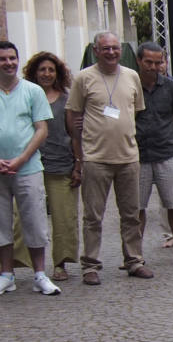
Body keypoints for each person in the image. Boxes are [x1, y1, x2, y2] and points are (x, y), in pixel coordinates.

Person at [67, 31, 152, 284]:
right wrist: (79, 155)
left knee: (131, 214)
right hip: (96, 157)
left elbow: (134, 111)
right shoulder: (83, 78)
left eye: (115, 48)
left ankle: (134, 260)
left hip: (128, 156)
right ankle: (90, 265)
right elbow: (73, 114)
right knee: (93, 215)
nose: (112, 52)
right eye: (106, 48)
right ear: (96, 50)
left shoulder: (132, 76)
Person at [10, 52, 79, 282]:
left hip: (61, 165)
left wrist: (79, 164)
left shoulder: (66, 99)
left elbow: (74, 134)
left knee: (63, 218)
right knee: (24, 218)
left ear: (57, 73)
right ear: (34, 73)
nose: (47, 74)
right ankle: (21, 263)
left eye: (51, 70)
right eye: (42, 70)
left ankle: (60, 264)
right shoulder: (26, 96)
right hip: (28, 165)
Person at [0, 41, 61, 295]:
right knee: (1, 224)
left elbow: (41, 129)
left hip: (28, 167)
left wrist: (21, 158)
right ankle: (6, 274)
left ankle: (39, 274)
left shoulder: (32, 91)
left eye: (12, 58)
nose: (8, 63)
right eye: (3, 59)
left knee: (35, 221)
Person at [134, 42, 173, 267]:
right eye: (149, 62)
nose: (154, 67)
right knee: (137, 208)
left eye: (158, 62)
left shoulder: (172, 87)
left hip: (166, 152)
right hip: (138, 154)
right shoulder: (131, 86)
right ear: (139, 61)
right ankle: (134, 253)